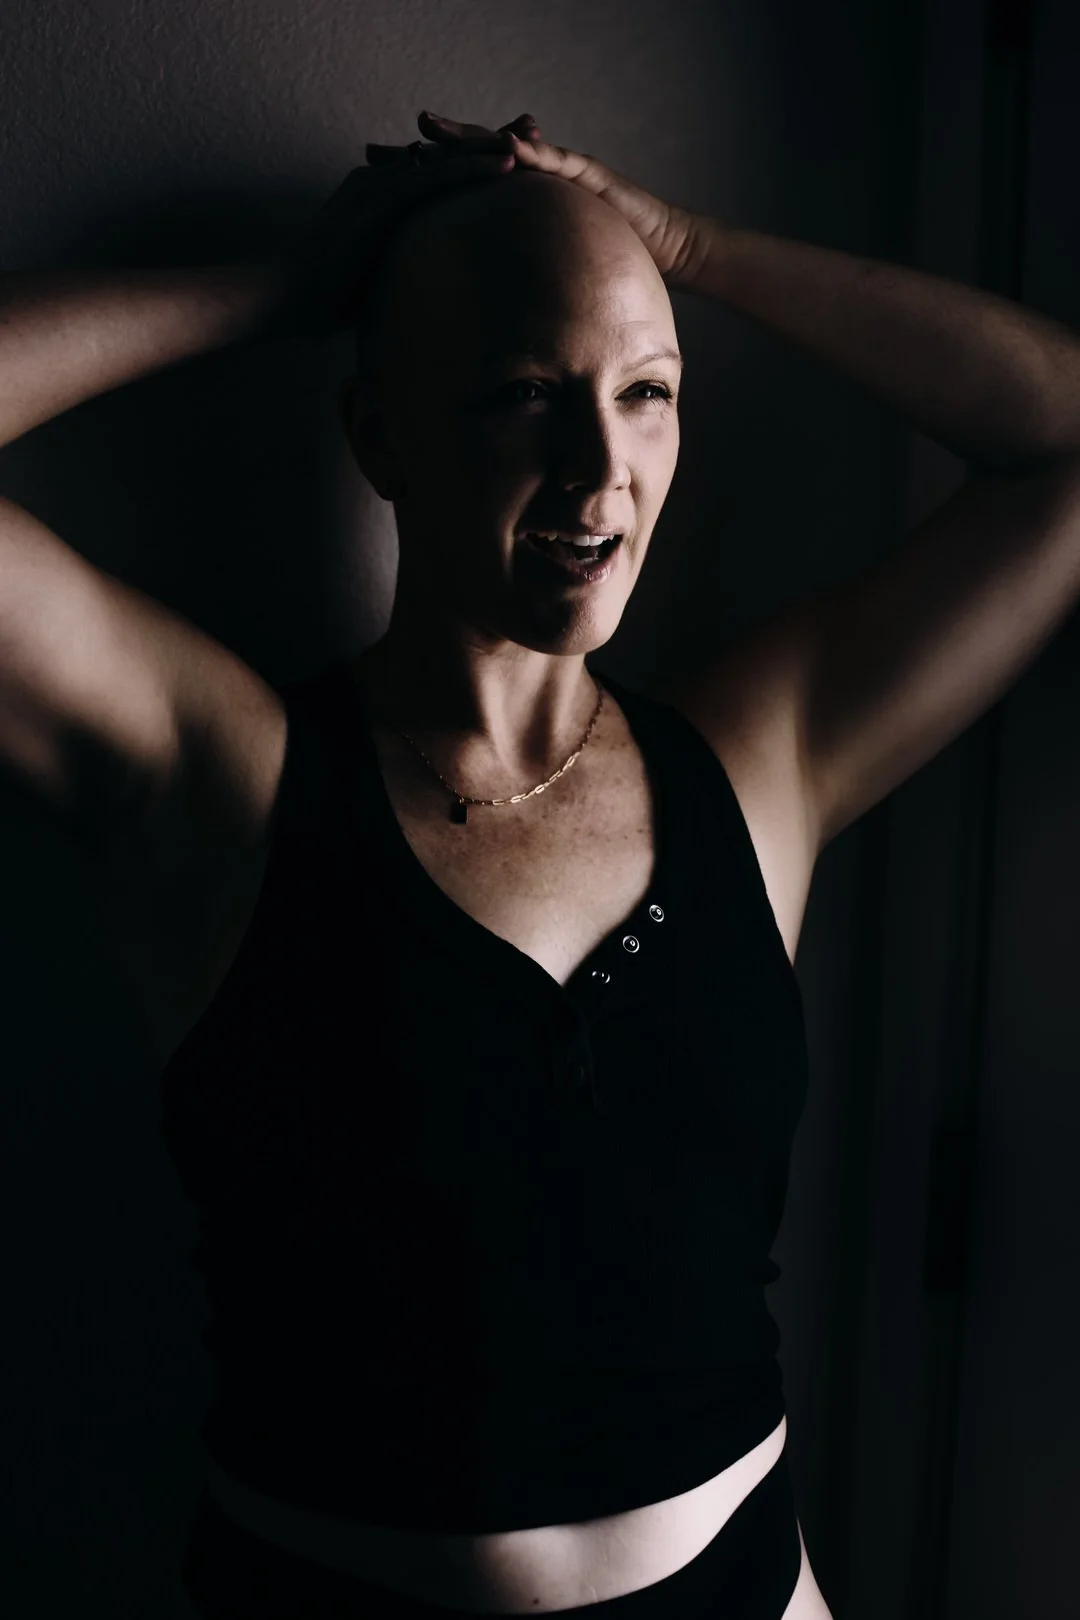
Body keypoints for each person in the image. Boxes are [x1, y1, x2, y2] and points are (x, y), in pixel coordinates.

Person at [4, 104, 1078, 1620]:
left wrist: (690, 246)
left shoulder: (757, 763)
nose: (602, 470)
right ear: (379, 431)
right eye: (525, 395)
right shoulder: (226, 777)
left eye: (649, 394)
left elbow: (1064, 443)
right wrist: (292, 288)